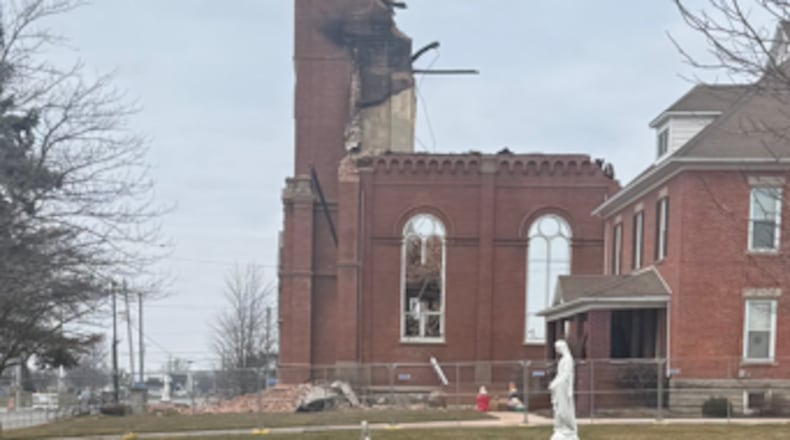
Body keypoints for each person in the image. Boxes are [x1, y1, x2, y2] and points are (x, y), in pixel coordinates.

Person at [549, 339, 578, 440]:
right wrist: (553, 383)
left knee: (564, 409)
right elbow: (559, 375)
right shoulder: (563, 360)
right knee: (558, 409)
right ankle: (560, 428)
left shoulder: (568, 359)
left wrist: (556, 383)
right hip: (559, 388)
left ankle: (568, 429)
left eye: (557, 348)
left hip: (564, 389)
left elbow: (565, 375)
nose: (557, 351)